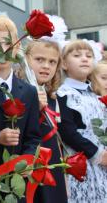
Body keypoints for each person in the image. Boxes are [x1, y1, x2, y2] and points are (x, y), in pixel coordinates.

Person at [0, 16, 41, 168]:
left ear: (18, 45)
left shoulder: (29, 91)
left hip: (19, 176)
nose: (3, 50)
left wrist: (28, 161)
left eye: (8, 43)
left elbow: (33, 137)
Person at [57, 40, 107, 203]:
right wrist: (97, 154)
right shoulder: (63, 93)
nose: (84, 59)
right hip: (80, 162)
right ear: (64, 63)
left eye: (89, 56)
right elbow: (67, 131)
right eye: (77, 55)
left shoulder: (95, 94)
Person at [23, 40, 67, 203]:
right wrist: (33, 106)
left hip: (52, 161)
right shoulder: (20, 92)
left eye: (52, 62)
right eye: (39, 60)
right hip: (31, 160)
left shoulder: (53, 96)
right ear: (26, 60)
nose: (46, 66)